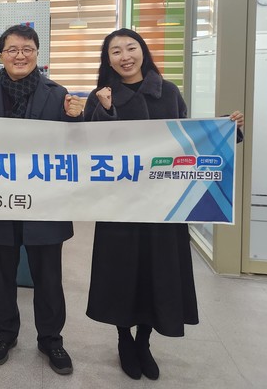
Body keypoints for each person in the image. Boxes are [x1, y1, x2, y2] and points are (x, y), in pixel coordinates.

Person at [84, 28, 245, 381]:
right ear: (107, 59)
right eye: (115, 51)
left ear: (143, 51)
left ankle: (144, 341)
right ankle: (124, 339)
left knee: (158, 274)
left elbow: (190, 140)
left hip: (166, 205)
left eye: (131, 48)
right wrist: (105, 111)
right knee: (122, 273)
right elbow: (89, 147)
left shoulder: (168, 92)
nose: (125, 56)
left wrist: (225, 129)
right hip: (120, 205)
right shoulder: (102, 96)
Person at [0, 24, 84, 375]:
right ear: (1, 55)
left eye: (27, 49)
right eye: (12, 50)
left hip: (46, 201)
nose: (20, 56)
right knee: (1, 275)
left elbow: (77, 146)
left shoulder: (59, 95)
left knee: (48, 277)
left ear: (37, 53)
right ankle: (4, 334)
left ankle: (51, 339)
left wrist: (77, 118)